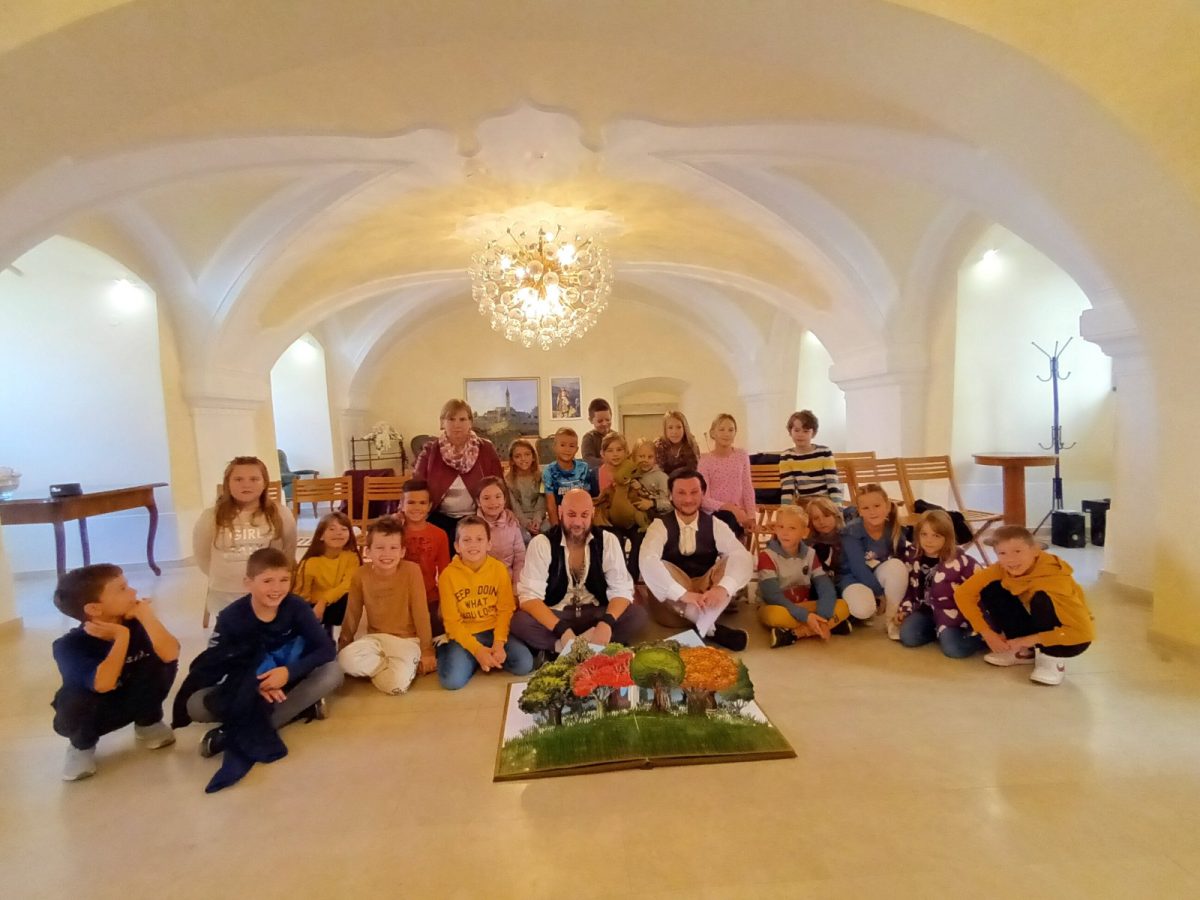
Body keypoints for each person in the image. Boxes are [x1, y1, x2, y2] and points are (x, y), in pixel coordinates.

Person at [174, 548, 342, 792]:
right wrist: (254, 685)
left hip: (292, 678)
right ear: (248, 583)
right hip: (248, 684)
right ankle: (298, 710)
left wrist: (288, 673)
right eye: (267, 581)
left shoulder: (296, 607)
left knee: (332, 673)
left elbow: (325, 649)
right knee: (196, 705)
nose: (277, 588)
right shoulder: (231, 617)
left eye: (284, 580)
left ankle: (230, 734)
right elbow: (219, 662)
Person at [51, 564, 180, 781]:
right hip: (96, 712)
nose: (133, 592)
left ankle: (148, 722)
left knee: (161, 660)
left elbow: (171, 654)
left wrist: (146, 615)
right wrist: (121, 638)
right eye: (122, 589)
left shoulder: (138, 623)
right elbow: (103, 684)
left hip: (135, 699)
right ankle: (81, 746)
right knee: (74, 697)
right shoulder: (69, 645)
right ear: (94, 609)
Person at [953, 525, 1094, 685]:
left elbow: (1083, 634)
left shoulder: (1055, 580)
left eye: (1018, 551)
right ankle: (1025, 653)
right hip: (1035, 626)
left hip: (1070, 640)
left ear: (1035, 551)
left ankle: (1051, 658)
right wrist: (986, 632)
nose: (1010, 559)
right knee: (991, 587)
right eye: (1002, 553)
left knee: (1042, 598)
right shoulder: (1001, 568)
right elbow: (963, 593)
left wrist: (1027, 639)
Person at [511, 489, 648, 653]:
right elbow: (529, 597)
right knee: (520, 622)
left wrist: (606, 623)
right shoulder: (541, 543)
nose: (577, 522)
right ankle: (567, 647)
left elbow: (622, 589)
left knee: (637, 615)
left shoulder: (607, 540)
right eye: (571, 514)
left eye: (584, 515)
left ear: (592, 513)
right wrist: (562, 630)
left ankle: (575, 646)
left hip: (595, 613)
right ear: (560, 512)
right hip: (557, 614)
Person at [638, 468, 754, 651]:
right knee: (655, 564)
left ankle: (703, 622)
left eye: (694, 492)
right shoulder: (659, 525)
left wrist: (722, 588)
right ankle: (711, 628)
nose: (688, 499)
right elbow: (647, 561)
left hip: (707, 596)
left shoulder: (715, 524)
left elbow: (741, 556)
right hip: (674, 608)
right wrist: (683, 594)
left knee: (738, 555)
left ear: (703, 494)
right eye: (681, 493)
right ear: (670, 495)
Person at [337, 517, 436, 694]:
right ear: (368, 551)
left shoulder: (412, 571)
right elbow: (352, 613)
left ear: (402, 551)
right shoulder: (360, 575)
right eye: (380, 548)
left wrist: (427, 650)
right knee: (343, 661)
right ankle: (390, 666)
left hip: (407, 641)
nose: (386, 554)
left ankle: (396, 668)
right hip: (375, 639)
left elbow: (421, 613)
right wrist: (344, 644)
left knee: (395, 686)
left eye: (393, 548)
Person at [436, 516, 535, 690]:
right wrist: (477, 650)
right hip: (465, 633)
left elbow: (505, 610)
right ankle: (451, 651)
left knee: (524, 664)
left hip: (493, 630)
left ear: (489, 544)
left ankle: (482, 659)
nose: (473, 545)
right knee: (452, 682)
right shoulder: (448, 576)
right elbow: (452, 622)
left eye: (479, 539)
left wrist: (499, 644)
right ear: (457, 546)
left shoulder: (499, 569)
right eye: (466, 540)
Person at [193, 455, 297, 618]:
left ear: (265, 483)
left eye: (254, 479)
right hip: (225, 592)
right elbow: (203, 555)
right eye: (238, 479)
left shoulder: (281, 514)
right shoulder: (211, 516)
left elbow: (287, 552)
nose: (246, 484)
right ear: (227, 483)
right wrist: (225, 577)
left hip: (266, 592)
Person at [755, 505, 850, 647]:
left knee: (843, 606)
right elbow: (772, 596)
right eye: (780, 527)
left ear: (804, 533)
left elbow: (825, 586)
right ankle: (828, 625)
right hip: (778, 606)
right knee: (775, 616)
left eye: (792, 528)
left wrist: (823, 614)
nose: (785, 532)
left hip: (803, 605)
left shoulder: (810, 554)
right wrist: (805, 616)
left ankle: (797, 633)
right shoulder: (766, 556)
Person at [412, 398, 504, 544]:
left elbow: (499, 485)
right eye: (451, 419)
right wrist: (403, 512)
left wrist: (506, 513)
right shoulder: (430, 450)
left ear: (470, 422)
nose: (457, 424)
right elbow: (415, 486)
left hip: (478, 516)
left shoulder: (486, 448)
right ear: (442, 423)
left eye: (462, 419)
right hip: (439, 516)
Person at [895, 509, 982, 658]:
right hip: (925, 610)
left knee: (953, 650)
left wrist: (982, 624)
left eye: (936, 535)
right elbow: (909, 588)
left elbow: (981, 592)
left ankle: (979, 639)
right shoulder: (912, 556)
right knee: (908, 637)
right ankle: (939, 632)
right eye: (924, 534)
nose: (929, 540)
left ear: (947, 537)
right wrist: (905, 609)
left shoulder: (962, 562)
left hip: (953, 614)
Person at [840, 483, 908, 627]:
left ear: (887, 506)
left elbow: (902, 560)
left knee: (897, 566)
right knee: (863, 609)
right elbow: (858, 568)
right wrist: (879, 593)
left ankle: (892, 620)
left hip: (876, 572)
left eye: (877, 506)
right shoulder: (851, 531)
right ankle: (865, 608)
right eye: (865, 508)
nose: (872, 512)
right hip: (852, 578)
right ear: (859, 511)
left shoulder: (894, 529)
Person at [293, 511, 360, 638]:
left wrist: (324, 601)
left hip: (336, 603)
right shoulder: (311, 562)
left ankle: (341, 635)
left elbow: (347, 584)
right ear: (321, 536)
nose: (338, 533)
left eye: (344, 529)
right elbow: (302, 594)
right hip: (314, 607)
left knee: (351, 595)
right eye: (332, 529)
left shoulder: (351, 557)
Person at [400, 478, 451, 633]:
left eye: (422, 503)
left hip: (429, 598)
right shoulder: (394, 531)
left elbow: (445, 572)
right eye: (411, 502)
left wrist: (444, 603)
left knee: (438, 636)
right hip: (400, 598)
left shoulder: (440, 534)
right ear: (402, 504)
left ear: (429, 506)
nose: (417, 507)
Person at [697, 413, 757, 539]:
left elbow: (747, 487)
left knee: (733, 522)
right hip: (715, 514)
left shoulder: (741, 455)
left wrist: (751, 516)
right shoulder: (705, 461)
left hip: (739, 515)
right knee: (728, 519)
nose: (726, 433)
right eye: (721, 429)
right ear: (713, 433)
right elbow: (704, 500)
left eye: (731, 430)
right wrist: (731, 509)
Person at [779, 410, 841, 504]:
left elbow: (833, 484)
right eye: (796, 430)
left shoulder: (824, 452)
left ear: (813, 433)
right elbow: (787, 489)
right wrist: (785, 509)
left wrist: (838, 508)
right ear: (790, 432)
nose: (800, 434)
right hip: (804, 504)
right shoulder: (786, 456)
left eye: (806, 431)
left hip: (825, 503)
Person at [476, 475, 527, 585]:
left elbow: (520, 557)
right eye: (486, 498)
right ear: (478, 501)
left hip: (509, 580)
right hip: (481, 583)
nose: (493, 502)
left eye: (498, 496)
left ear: (504, 499)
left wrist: (516, 585)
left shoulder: (512, 523)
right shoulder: (472, 527)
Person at [543, 427, 590, 526]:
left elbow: (586, 499)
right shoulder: (549, 471)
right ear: (554, 447)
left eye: (571, 446)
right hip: (560, 518)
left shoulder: (583, 468)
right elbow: (551, 505)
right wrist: (556, 528)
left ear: (576, 449)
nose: (567, 449)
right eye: (562, 445)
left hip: (580, 518)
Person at [506, 437, 547, 543]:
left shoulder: (542, 477)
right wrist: (526, 523)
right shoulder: (508, 480)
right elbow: (514, 506)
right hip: (519, 519)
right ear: (512, 460)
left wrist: (537, 520)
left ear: (533, 457)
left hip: (539, 517)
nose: (523, 459)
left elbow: (542, 500)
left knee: (547, 531)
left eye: (527, 454)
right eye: (518, 456)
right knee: (524, 536)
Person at [630, 437, 672, 519]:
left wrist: (652, 503)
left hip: (659, 517)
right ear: (634, 458)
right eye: (641, 456)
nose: (645, 460)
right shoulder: (632, 475)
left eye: (650, 457)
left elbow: (669, 504)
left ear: (655, 459)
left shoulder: (662, 477)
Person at [805, 496, 845, 578]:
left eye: (826, 516)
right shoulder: (809, 543)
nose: (822, 521)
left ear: (835, 516)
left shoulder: (847, 537)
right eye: (816, 518)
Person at [654, 410, 700, 476]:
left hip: (686, 480)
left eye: (679, 427)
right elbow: (657, 471)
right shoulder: (658, 446)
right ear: (665, 430)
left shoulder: (691, 444)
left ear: (684, 428)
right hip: (663, 480)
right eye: (670, 428)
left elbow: (695, 470)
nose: (675, 432)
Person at [580, 398, 614, 472]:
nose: (604, 424)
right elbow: (588, 460)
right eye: (600, 421)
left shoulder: (617, 437)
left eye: (608, 420)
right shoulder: (588, 438)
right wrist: (610, 462)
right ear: (591, 420)